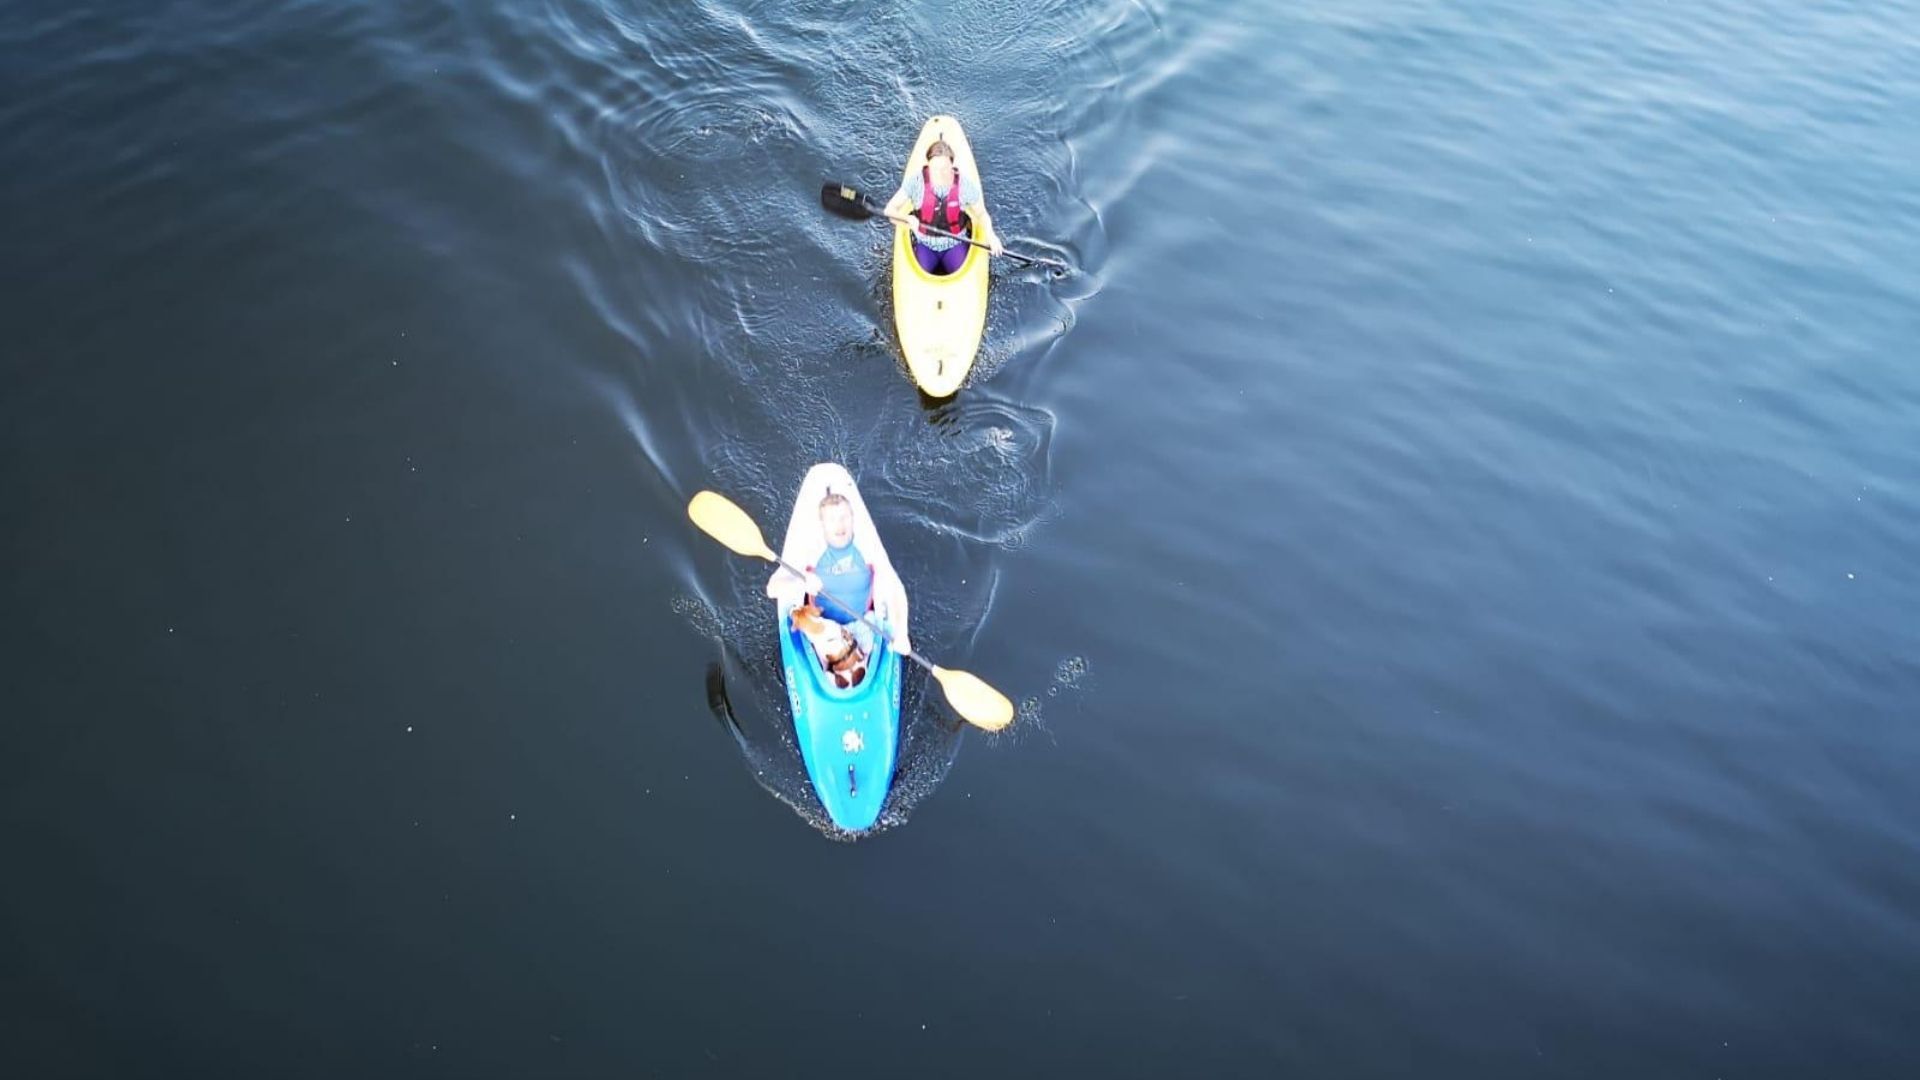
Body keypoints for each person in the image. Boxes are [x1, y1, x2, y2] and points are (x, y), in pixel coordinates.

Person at [769, 491, 912, 664]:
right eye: (832, 520)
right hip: (821, 626)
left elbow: (895, 587)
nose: (840, 525)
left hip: (863, 623)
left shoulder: (868, 548)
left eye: (844, 517)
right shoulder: (810, 551)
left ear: (853, 518)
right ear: (822, 525)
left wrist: (902, 632)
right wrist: (802, 582)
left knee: (862, 668)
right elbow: (773, 588)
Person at [884, 139, 1004, 276]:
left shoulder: (965, 186)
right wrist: (906, 219)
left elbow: (982, 214)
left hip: (955, 244)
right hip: (925, 244)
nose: (940, 173)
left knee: (962, 273)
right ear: (928, 165)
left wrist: (991, 236)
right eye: (935, 169)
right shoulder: (916, 183)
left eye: (945, 169)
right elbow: (890, 210)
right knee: (921, 273)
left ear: (952, 165)